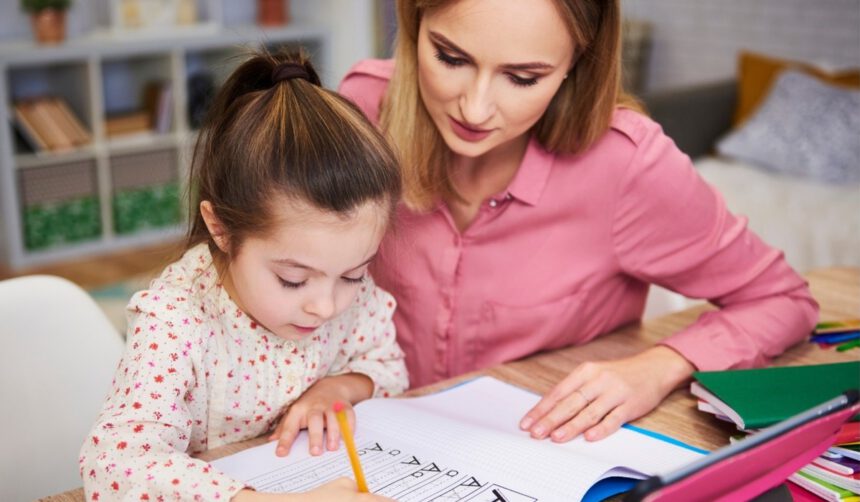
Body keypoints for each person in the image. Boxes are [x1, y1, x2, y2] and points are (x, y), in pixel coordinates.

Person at [339, 0, 817, 445]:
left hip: (539, 451)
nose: (475, 108)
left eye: (523, 78)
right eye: (450, 58)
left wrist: (660, 367)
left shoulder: (627, 164)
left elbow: (782, 299)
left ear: (577, 62)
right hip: (368, 439)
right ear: (413, 21)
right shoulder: (361, 111)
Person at [79, 51, 406, 502]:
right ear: (221, 229)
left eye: (353, 274)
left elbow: (388, 368)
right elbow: (115, 463)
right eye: (293, 280)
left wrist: (338, 388)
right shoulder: (176, 320)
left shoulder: (347, 293)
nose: (326, 306)